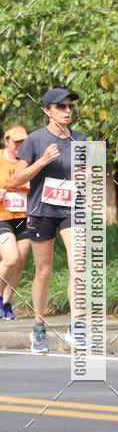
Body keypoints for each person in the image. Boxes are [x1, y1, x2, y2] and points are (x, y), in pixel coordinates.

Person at [12, 87, 86, 354]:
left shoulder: (80, 138)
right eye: (61, 107)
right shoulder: (34, 140)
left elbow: (88, 175)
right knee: (44, 271)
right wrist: (42, 161)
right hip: (42, 210)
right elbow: (17, 179)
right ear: (47, 111)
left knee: (79, 264)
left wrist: (85, 177)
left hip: (72, 208)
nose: (68, 111)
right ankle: (38, 327)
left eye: (70, 106)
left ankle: (76, 326)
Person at [0, 125, 31, 319]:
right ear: (6, 141)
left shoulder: (27, 161)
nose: (20, 145)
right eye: (16, 141)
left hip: (24, 216)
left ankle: (6, 303)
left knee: (20, 261)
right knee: (11, 258)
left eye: (23, 141)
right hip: (2, 216)